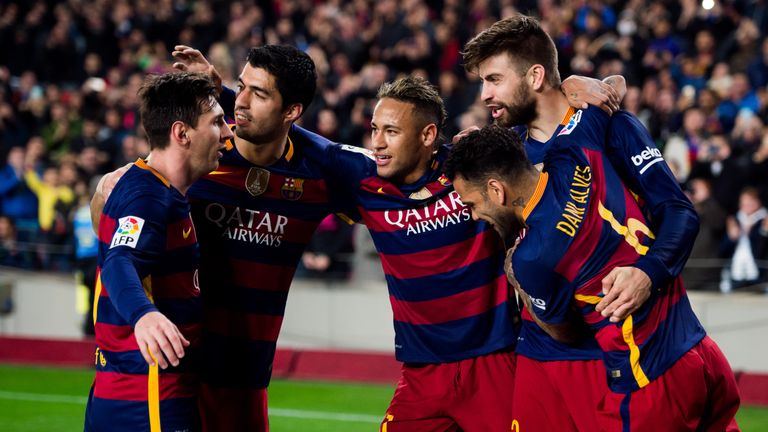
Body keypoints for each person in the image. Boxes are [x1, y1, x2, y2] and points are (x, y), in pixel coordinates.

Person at [94, 44, 621, 430]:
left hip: (491, 359)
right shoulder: (205, 160)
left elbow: (541, 125)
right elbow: (129, 205)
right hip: (189, 371)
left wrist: (569, 86)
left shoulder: (449, 169)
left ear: (428, 135)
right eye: (374, 131)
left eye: (392, 132)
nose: (379, 143)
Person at [460, 14, 701, 430]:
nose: (485, 95)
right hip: (539, 350)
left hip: (618, 352)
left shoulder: (611, 127)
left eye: (494, 80)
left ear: (535, 76)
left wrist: (648, 273)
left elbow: (678, 212)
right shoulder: (503, 155)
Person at [445, 124, 740, 431]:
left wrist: (517, 281)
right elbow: (599, 103)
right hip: (699, 349)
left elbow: (564, 333)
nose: (476, 217)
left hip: (648, 378)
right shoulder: (572, 152)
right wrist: (588, 84)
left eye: (473, 205)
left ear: (496, 190)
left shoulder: (531, 258)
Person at [84, 72, 232, 432]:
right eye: (216, 122)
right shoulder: (148, 197)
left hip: (135, 386)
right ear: (181, 133)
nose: (227, 133)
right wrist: (143, 315)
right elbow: (121, 260)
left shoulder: (150, 186)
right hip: (147, 394)